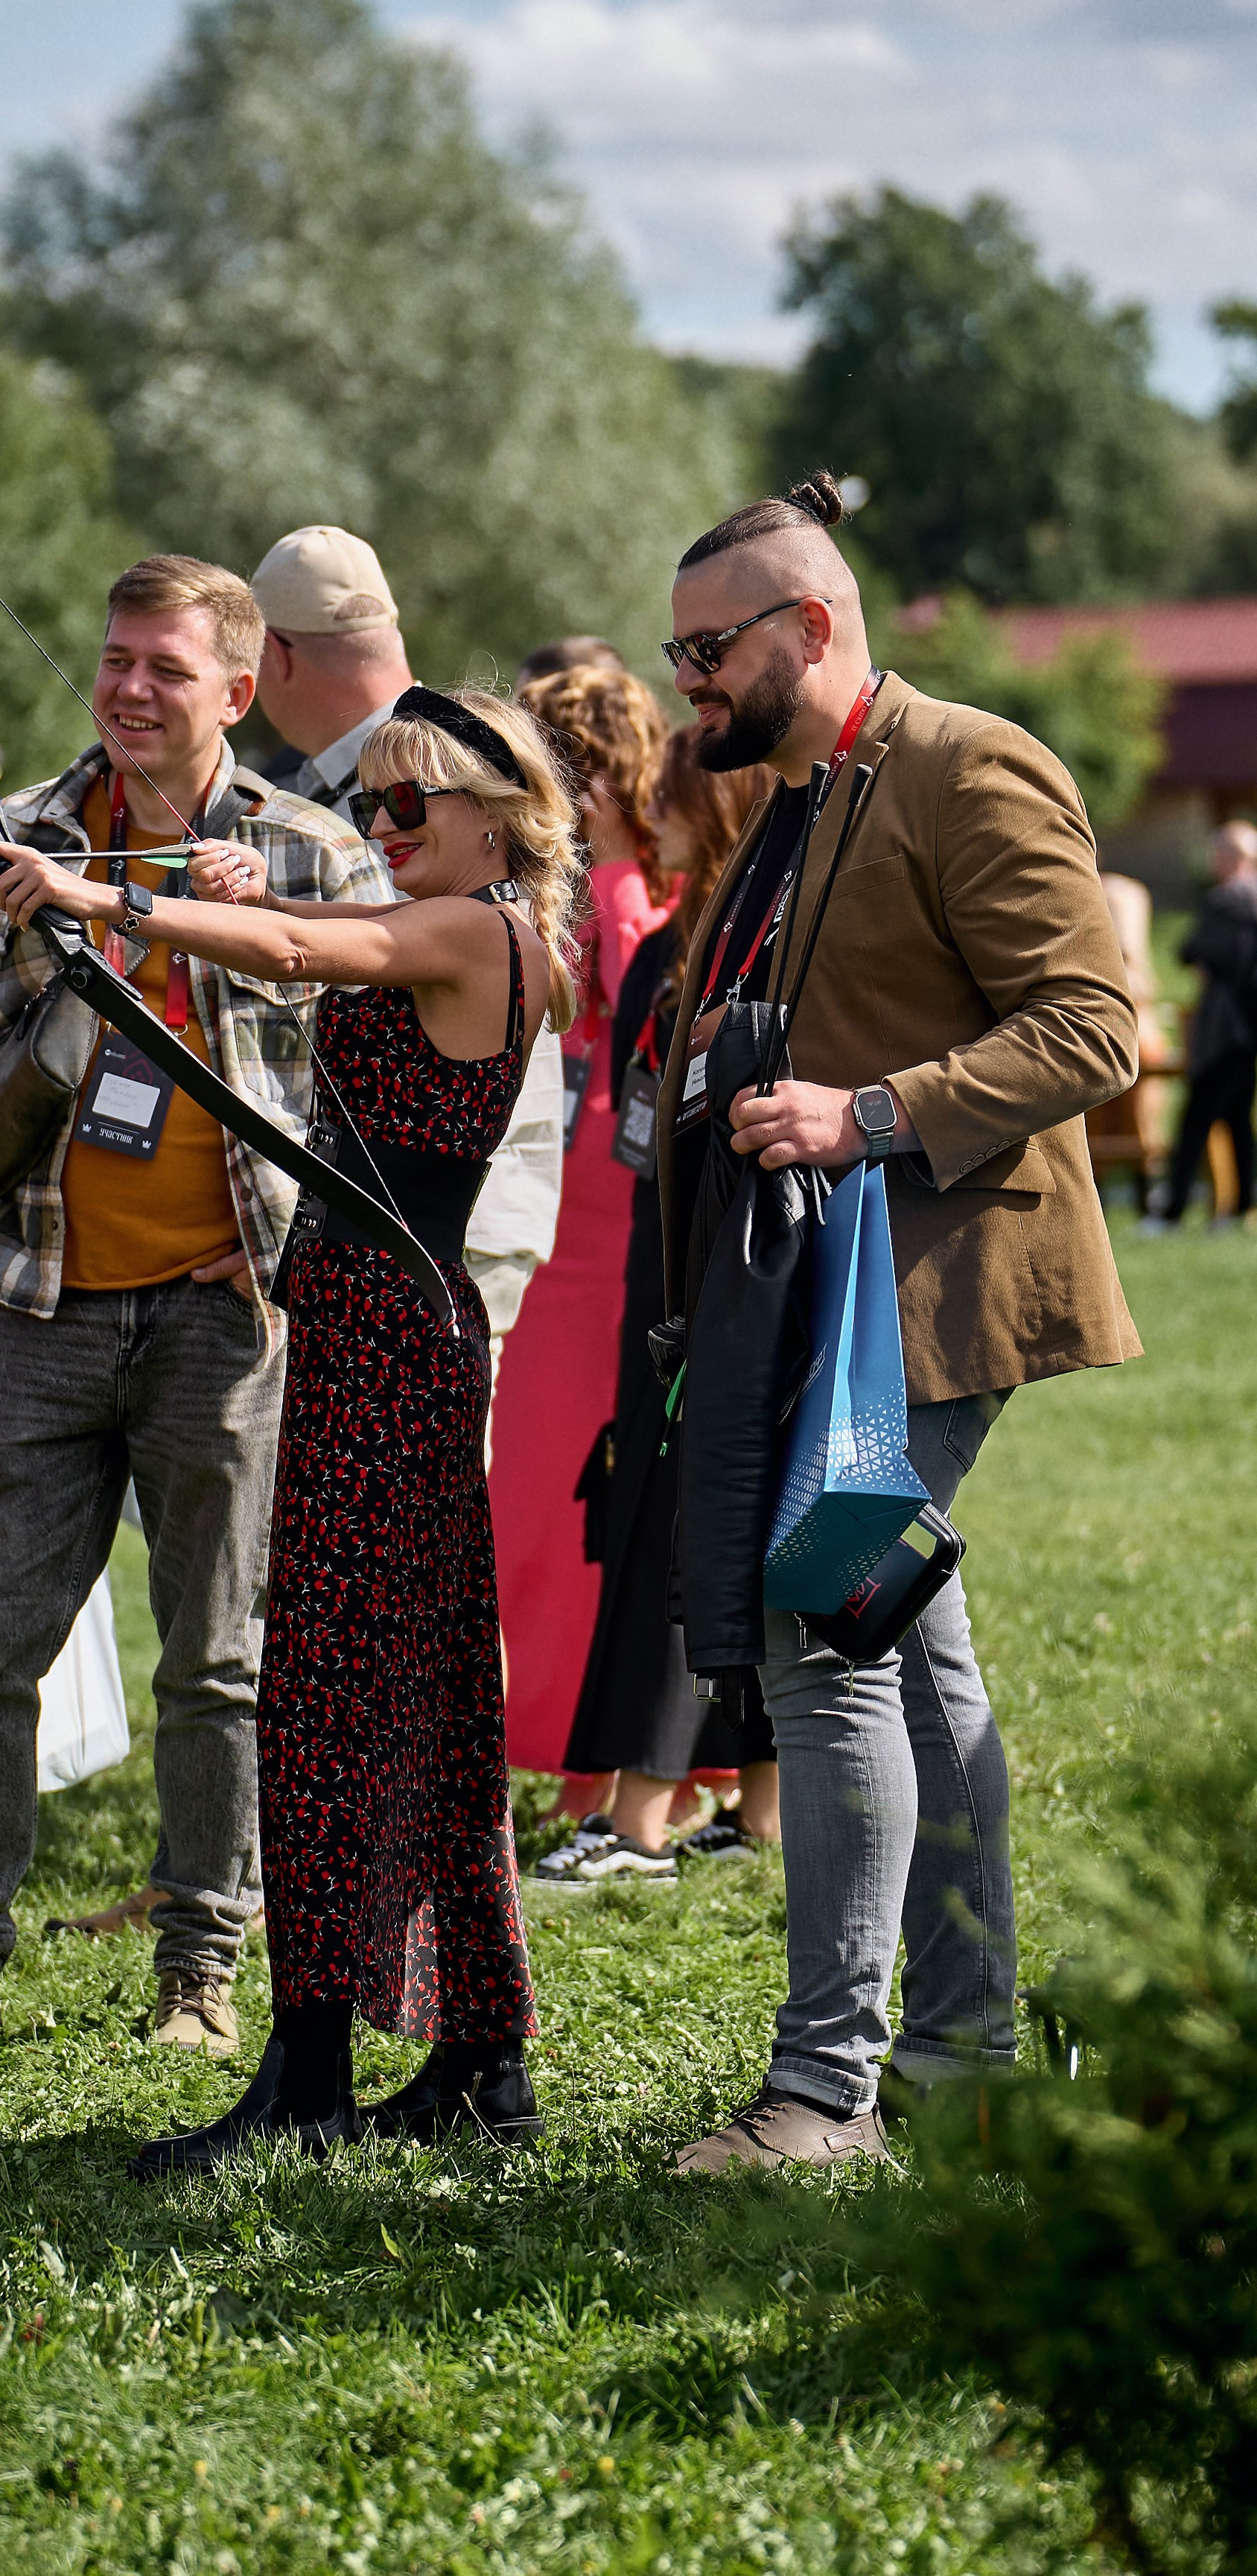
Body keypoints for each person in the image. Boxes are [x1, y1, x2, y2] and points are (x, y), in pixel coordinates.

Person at [0, 683, 581, 2169]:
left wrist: (94, 891)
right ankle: (480, 2057)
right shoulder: (456, 918)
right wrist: (223, 883)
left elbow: (319, 946)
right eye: (368, 806)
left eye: (407, 807)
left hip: (393, 1341)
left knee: (325, 1693)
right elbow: (326, 939)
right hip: (376, 1331)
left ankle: (314, 2074)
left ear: (497, 813)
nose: (382, 831)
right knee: (416, 1694)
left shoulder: (487, 927)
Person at [654, 473, 1139, 2174]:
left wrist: (861, 1114)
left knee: (828, 1640)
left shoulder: (967, 763)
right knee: (917, 1672)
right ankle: (965, 2056)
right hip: (824, 1297)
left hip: (932, 1293)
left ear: (810, 626)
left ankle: (821, 2095)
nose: (687, 682)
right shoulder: (804, 794)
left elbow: (1089, 1027)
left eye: (709, 650)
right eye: (675, 653)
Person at [0, 555, 392, 2063]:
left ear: (240, 688)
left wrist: (289, 1241)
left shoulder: (308, 852)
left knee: (218, 1660)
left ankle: (202, 1971)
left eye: (166, 666)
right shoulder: (20, 839)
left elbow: (389, 1085)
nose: (128, 686)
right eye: (114, 658)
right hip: (38, 1302)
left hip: (223, 1319)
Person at [249, 524, 565, 1444]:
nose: (388, 816)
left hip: (445, 1222)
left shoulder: (442, 768)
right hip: (364, 1226)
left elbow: (320, 954)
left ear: (275, 653)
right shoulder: (383, 772)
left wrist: (112, 903)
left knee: (405, 1522)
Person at [540, 726, 780, 1885]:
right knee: (668, 1517)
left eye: (675, 796)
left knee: (694, 1533)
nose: (652, 810)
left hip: (731, 1275)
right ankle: (729, 1809)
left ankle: (644, 1821)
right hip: (661, 1263)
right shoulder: (669, 954)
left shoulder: (762, 954)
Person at [486, 662, 674, 1774]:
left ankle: (567, 1742)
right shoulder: (628, 887)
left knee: (557, 1497)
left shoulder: (614, 896)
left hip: (589, 1220)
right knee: (553, 1496)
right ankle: (567, 1739)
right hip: (585, 1209)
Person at [1145, 820, 1257, 1231]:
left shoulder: (1228, 902)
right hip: (1250, 1032)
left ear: (1233, 858)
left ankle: (1171, 1212)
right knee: (1238, 1121)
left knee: (1195, 1120)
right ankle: (1242, 1207)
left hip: (1223, 1031)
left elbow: (1190, 950)